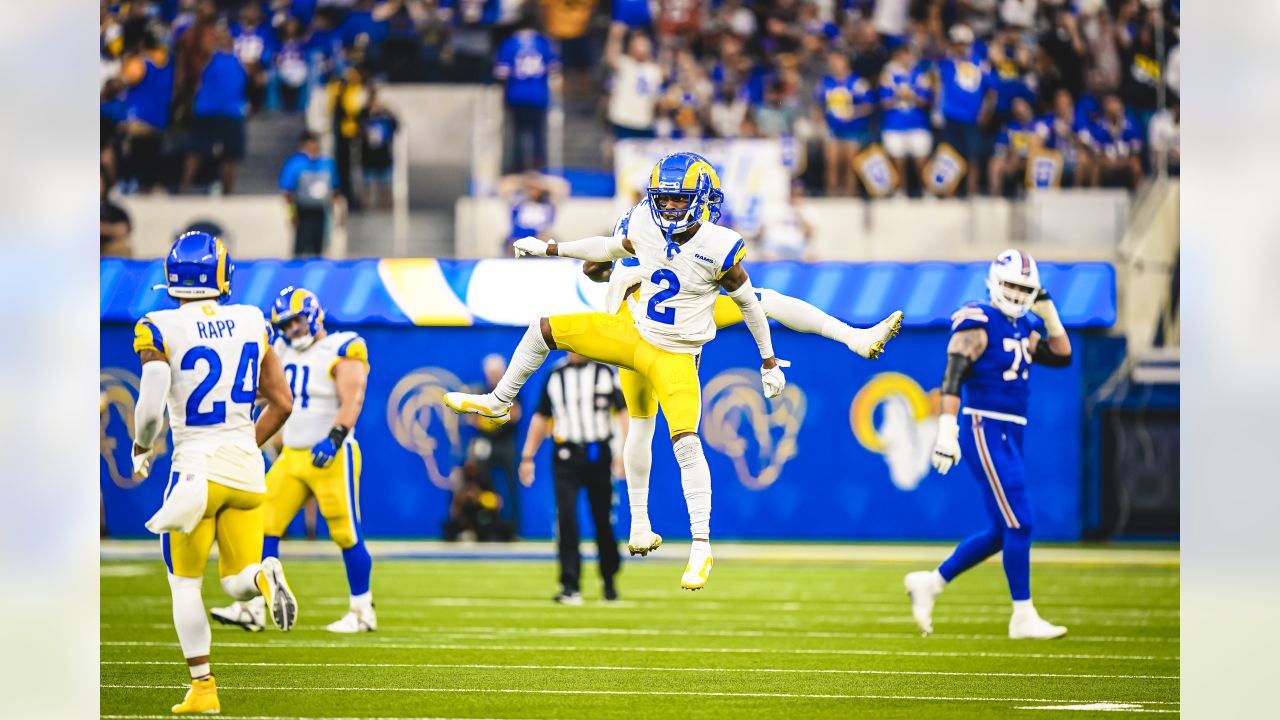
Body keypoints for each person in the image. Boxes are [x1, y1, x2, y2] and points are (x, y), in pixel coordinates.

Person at [445, 153, 787, 591]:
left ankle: (700, 545)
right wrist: (551, 248)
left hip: (674, 353)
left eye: (678, 201)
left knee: (685, 442)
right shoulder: (643, 221)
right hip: (630, 334)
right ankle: (498, 401)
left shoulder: (720, 245)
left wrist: (769, 359)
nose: (668, 209)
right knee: (545, 328)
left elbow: (750, 306)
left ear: (702, 200)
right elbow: (603, 250)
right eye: (663, 200)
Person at [129, 231, 298, 714]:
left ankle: (203, 690)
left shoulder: (158, 324)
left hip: (196, 469)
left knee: (186, 583)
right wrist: (246, 443)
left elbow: (152, 397)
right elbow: (282, 402)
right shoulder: (251, 319)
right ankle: (265, 577)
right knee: (237, 579)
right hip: (246, 469)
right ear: (222, 275)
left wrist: (142, 445)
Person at [906, 248, 1073, 640]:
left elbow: (1063, 355)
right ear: (995, 282)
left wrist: (1050, 315)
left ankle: (930, 583)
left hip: (1012, 430)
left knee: (1002, 530)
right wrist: (947, 432)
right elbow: (953, 377)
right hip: (985, 426)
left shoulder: (1025, 326)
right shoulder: (977, 321)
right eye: (1011, 285)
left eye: (1024, 288)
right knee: (1021, 520)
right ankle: (1022, 616)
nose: (1016, 294)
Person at [211, 286, 376, 634]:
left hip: (332, 454)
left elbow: (353, 397)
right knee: (264, 524)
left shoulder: (342, 347)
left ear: (314, 314)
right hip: (292, 456)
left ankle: (362, 610)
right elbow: (261, 391)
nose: (291, 330)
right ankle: (255, 606)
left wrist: (336, 436)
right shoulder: (281, 350)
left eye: (297, 321)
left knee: (346, 532)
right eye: (285, 325)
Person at [519, 353, 627, 604]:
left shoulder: (605, 372)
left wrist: (623, 452)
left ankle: (609, 581)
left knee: (603, 520)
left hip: (598, 453)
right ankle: (570, 584)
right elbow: (541, 417)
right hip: (566, 455)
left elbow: (623, 412)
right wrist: (527, 457)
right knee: (566, 517)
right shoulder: (555, 374)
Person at [183, 27, 249, 194]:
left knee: (231, 156)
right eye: (218, 36)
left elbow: (254, 76)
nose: (222, 39)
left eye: (225, 36)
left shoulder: (239, 60)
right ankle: (184, 188)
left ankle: (228, 194)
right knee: (196, 152)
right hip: (207, 111)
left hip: (232, 113)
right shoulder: (209, 56)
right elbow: (199, 50)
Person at [937, 24, 996, 196]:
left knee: (972, 157)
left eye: (961, 43)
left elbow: (992, 91)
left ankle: (971, 193)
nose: (958, 46)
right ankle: (950, 192)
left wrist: (987, 113)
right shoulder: (947, 63)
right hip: (951, 116)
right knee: (950, 158)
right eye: (955, 43)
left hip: (971, 118)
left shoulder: (980, 65)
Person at [494, 26, 561, 173]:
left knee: (518, 133)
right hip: (538, 95)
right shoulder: (543, 43)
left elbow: (502, 74)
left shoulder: (509, 43)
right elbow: (554, 72)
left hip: (516, 95)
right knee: (537, 133)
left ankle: (518, 165)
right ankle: (538, 166)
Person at [814, 52, 875, 197]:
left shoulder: (857, 82)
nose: (835, 65)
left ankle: (850, 194)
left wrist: (853, 112)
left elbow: (869, 105)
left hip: (852, 129)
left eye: (838, 62)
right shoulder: (826, 82)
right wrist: (819, 118)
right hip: (832, 129)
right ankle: (832, 194)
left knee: (850, 164)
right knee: (832, 163)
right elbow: (818, 104)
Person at [879, 43, 934, 195]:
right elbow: (884, 102)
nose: (904, 58)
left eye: (907, 54)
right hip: (895, 124)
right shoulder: (888, 76)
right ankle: (899, 192)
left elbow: (926, 100)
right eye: (901, 55)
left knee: (922, 161)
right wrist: (900, 96)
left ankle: (927, 191)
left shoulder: (920, 75)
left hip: (918, 124)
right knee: (897, 162)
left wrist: (911, 97)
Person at [279, 132, 344, 257]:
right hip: (302, 210)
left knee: (319, 247)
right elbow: (287, 192)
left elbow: (335, 190)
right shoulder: (295, 164)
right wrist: (292, 214)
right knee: (301, 247)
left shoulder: (327, 163)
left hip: (321, 210)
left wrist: (339, 213)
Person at [604, 22, 664, 141]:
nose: (641, 47)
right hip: (624, 120)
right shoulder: (626, 63)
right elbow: (611, 57)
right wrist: (615, 37)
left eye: (644, 44)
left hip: (645, 122)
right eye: (638, 43)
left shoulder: (655, 70)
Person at [499, 171, 570, 250]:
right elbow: (505, 184)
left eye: (536, 188)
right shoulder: (518, 201)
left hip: (541, 240)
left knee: (552, 240)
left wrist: (540, 182)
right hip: (518, 239)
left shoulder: (549, 203)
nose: (534, 191)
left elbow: (563, 187)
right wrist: (525, 181)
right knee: (510, 243)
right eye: (531, 189)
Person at [359, 87, 400, 209]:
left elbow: (396, 125)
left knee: (386, 186)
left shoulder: (385, 116)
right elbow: (358, 126)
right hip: (369, 156)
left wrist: (386, 110)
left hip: (383, 156)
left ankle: (386, 207)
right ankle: (366, 207)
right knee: (368, 185)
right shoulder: (364, 114)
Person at [988, 97, 1036, 197]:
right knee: (995, 164)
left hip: (1033, 160)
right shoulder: (1010, 127)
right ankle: (995, 197)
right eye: (1016, 109)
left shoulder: (1039, 124)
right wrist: (1011, 152)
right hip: (1013, 160)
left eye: (1022, 107)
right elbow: (1001, 147)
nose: (1020, 111)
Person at [101, 165, 132, 257]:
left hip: (106, 248)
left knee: (123, 249)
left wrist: (104, 229)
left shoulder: (112, 209)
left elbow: (125, 228)